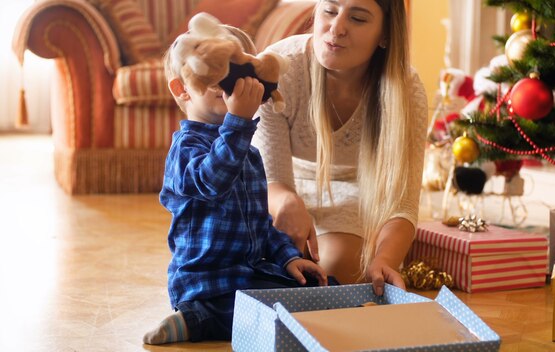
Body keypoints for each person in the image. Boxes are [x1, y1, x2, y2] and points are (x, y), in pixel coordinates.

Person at [143, 25, 328, 345]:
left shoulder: (249, 153)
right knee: (259, 311)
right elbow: (212, 180)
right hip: (207, 283)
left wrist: (287, 257)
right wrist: (239, 122)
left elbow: (260, 223)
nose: (230, 82)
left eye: (240, 71)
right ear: (182, 89)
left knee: (319, 291)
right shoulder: (185, 148)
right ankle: (195, 321)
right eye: (217, 73)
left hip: (250, 272)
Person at [251, 0, 428, 295]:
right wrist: (287, 202)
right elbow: (270, 178)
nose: (337, 28)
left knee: (331, 278)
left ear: (385, 35)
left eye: (357, 19)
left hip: (359, 192)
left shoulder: (406, 90)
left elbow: (402, 203)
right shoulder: (278, 68)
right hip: (281, 188)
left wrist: (384, 259)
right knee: (251, 267)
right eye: (330, 11)